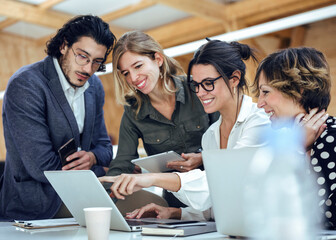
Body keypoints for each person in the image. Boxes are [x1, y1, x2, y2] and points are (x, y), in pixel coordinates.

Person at [100, 39, 271, 220]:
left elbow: (221, 182)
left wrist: (151, 178)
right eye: (197, 85)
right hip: (232, 224)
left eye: (208, 83)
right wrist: (176, 213)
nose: (200, 93)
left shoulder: (259, 123)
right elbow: (218, 200)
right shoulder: (211, 136)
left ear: (234, 79)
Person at [0, 15, 116, 221]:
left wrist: (92, 158)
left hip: (85, 196)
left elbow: (104, 148)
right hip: (38, 205)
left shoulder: (94, 86)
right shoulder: (26, 85)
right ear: (63, 46)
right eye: (82, 56)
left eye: (97, 62)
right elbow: (42, 167)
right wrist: (100, 170)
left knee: (150, 207)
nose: (88, 69)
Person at [104, 31, 219, 209]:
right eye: (125, 73)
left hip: (217, 192)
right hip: (174, 204)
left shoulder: (197, 89)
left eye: (138, 66)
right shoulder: (133, 112)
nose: (133, 79)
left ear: (158, 59)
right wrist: (104, 193)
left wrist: (202, 157)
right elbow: (122, 163)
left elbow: (229, 146)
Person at [253, 47, 336, 231]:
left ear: (299, 90)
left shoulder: (335, 137)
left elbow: (292, 209)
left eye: (266, 92)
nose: (259, 103)